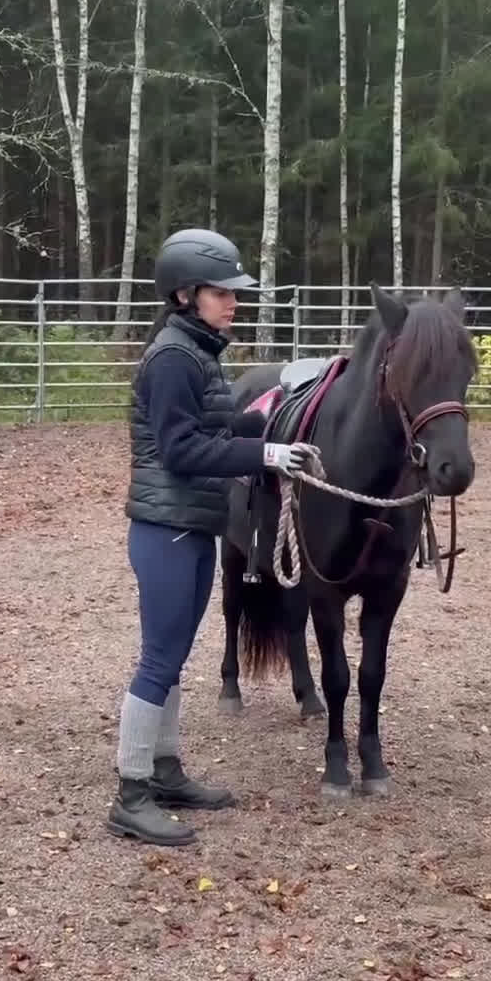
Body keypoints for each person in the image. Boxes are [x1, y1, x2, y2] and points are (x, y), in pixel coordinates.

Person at [109, 228, 318, 846]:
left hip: (190, 525)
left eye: (233, 292)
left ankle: (165, 771)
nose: (233, 302)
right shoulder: (174, 357)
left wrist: (276, 400)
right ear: (184, 294)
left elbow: (221, 419)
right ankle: (131, 793)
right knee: (158, 660)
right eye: (221, 292)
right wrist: (269, 454)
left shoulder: (197, 353)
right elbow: (181, 449)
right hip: (167, 526)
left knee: (171, 658)